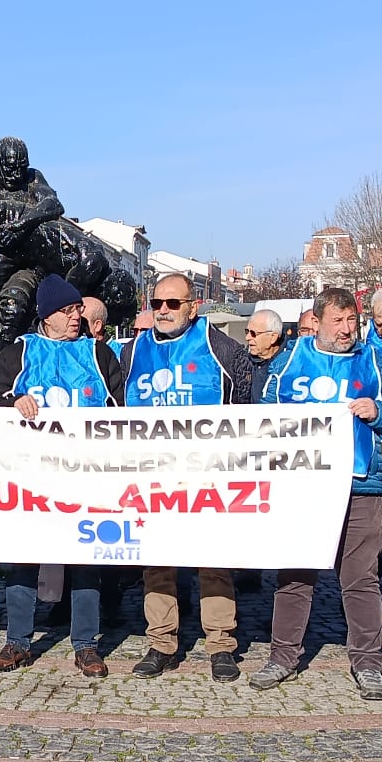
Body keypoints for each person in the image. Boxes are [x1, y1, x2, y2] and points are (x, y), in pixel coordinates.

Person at [251, 286, 382, 699]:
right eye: (337, 321)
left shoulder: (372, 360)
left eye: (352, 320)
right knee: (295, 575)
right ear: (315, 322)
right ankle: (283, 656)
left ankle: (369, 663)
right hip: (303, 487)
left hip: (361, 485)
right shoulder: (288, 363)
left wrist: (378, 411)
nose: (347, 329)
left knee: (360, 579)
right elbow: (261, 416)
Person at [0, 273, 125, 675]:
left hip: (86, 476)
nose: (75, 316)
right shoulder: (18, 354)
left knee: (85, 562)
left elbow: (121, 413)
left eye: (78, 308)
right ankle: (18, 642)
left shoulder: (100, 355)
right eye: (66, 310)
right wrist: (14, 399)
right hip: (32, 478)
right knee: (24, 560)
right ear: (46, 316)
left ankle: (85, 644)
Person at [122, 272, 252, 681]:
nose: (163, 311)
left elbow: (249, 411)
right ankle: (161, 641)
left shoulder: (222, 349)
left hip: (208, 477)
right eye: (156, 303)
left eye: (172, 304)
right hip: (151, 477)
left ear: (193, 307)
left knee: (212, 560)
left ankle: (221, 644)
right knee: (157, 562)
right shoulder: (131, 352)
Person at [243, 309, 287, 402]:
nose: (247, 338)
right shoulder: (242, 362)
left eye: (253, 333)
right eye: (247, 331)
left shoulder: (288, 365)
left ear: (273, 338)